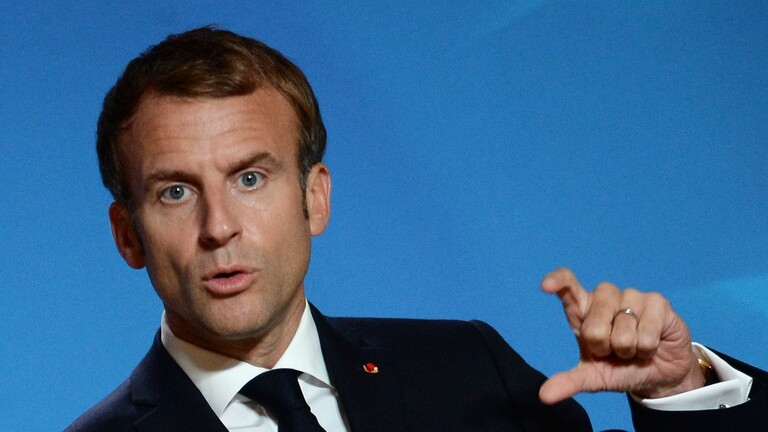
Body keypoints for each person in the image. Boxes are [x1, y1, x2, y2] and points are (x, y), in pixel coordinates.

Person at [66, 26, 766, 431]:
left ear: (315, 197)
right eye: (176, 192)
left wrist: (679, 390)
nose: (219, 226)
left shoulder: (469, 370)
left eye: (250, 178)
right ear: (128, 235)